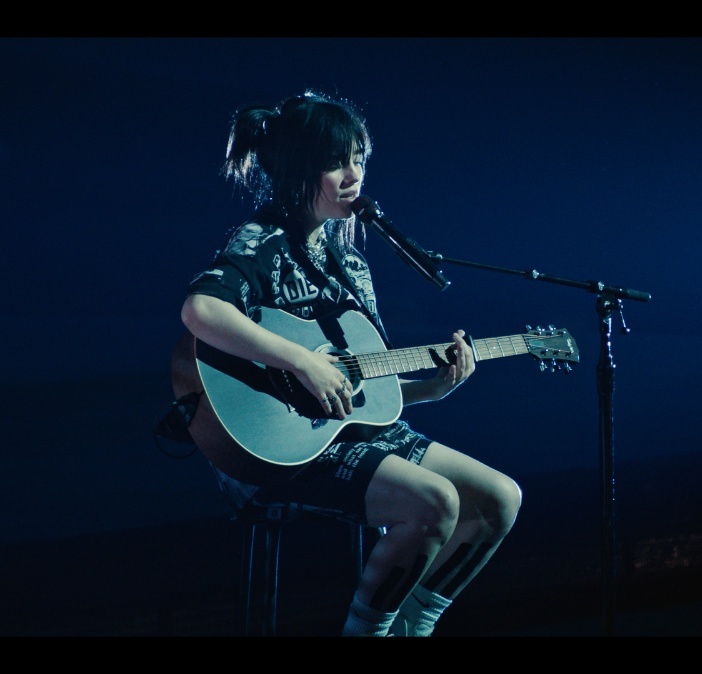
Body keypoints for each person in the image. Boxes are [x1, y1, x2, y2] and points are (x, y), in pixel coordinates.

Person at [178, 90, 523, 636]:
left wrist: (430, 390)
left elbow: (359, 385)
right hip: (276, 448)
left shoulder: (352, 263)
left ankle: (415, 626)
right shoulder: (262, 240)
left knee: (500, 499)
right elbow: (201, 309)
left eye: (359, 159)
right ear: (299, 168)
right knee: (434, 502)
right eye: (337, 162)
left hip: (350, 431)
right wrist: (300, 360)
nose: (353, 174)